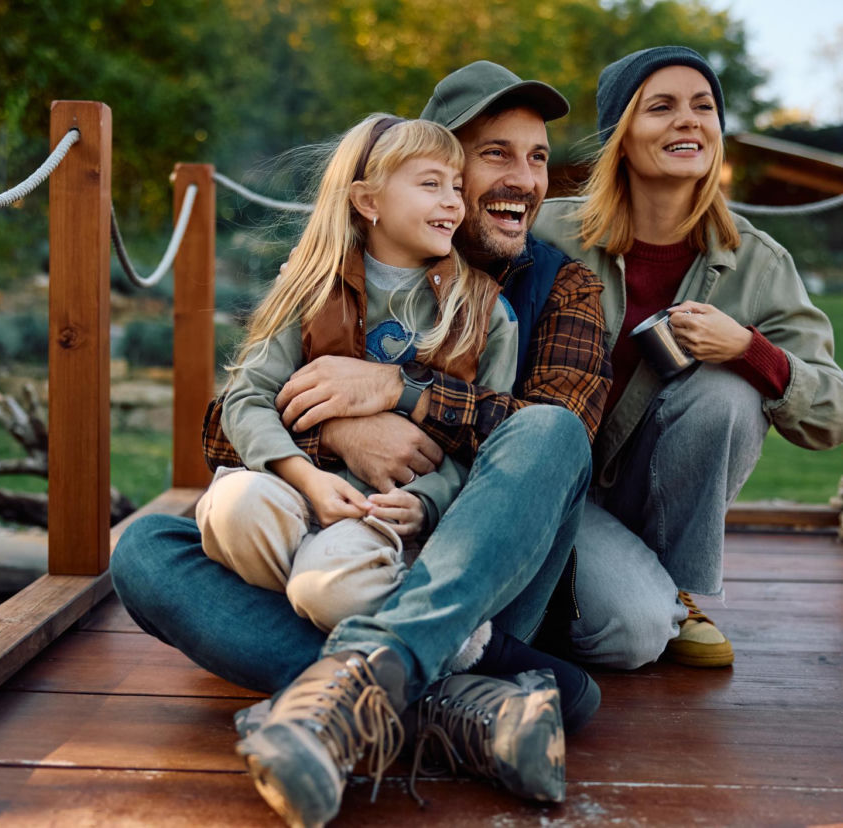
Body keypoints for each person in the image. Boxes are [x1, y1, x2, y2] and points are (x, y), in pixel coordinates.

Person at [112, 61, 612, 827]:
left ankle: (354, 684)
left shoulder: (558, 288)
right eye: (493, 156)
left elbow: (544, 443)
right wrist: (338, 424)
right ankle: (448, 705)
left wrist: (398, 393)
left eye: (538, 157)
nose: (523, 179)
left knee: (547, 431)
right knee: (144, 550)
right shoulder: (328, 275)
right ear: (402, 175)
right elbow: (223, 428)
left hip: (465, 570)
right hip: (334, 539)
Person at [530, 46, 843, 669]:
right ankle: (565, 593)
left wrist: (750, 351)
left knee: (730, 393)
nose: (689, 121)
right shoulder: (547, 232)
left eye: (703, 107)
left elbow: (830, 416)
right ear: (621, 134)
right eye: (662, 107)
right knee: (625, 629)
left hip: (643, 495)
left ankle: (668, 592)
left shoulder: (757, 262)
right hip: (543, 480)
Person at [196, 114, 518, 655]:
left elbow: (491, 438)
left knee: (328, 587)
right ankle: (368, 636)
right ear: (369, 202)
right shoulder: (310, 288)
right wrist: (308, 480)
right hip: (301, 491)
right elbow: (247, 398)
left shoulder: (484, 310)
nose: (452, 202)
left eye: (457, 187)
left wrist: (429, 502)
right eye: (430, 184)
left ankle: (440, 637)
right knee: (232, 504)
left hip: (380, 516)